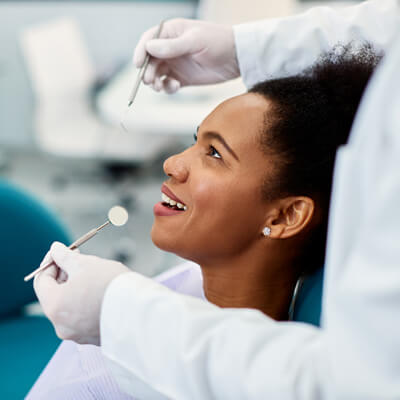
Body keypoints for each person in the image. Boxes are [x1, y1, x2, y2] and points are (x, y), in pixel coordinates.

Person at [33, 0, 400, 398]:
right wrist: (244, 47)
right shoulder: (97, 370)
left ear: (286, 216)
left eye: (214, 154)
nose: (172, 164)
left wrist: (117, 313)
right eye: (196, 141)